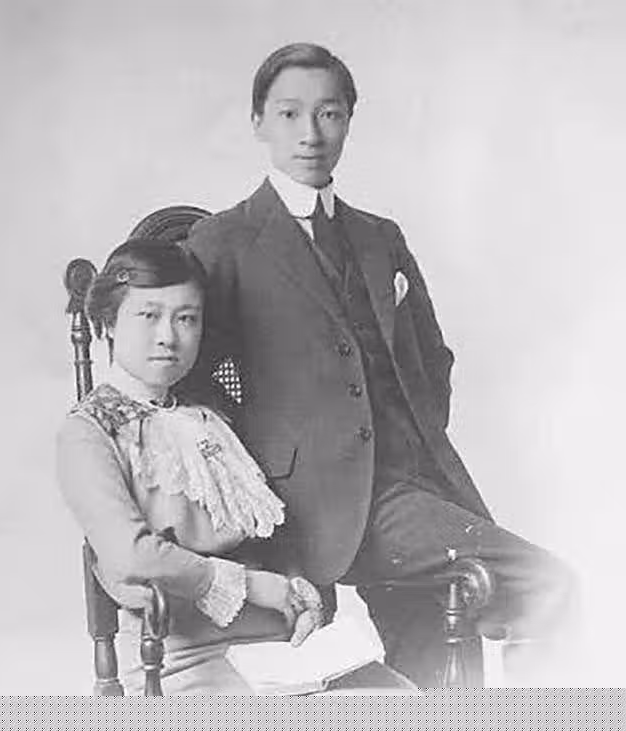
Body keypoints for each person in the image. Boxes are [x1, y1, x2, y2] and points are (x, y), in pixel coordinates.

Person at [184, 42, 577, 687]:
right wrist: (281, 467)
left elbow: (433, 356)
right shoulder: (222, 243)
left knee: (433, 655)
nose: (311, 134)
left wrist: (414, 437)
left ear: (348, 121)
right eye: (289, 114)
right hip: (319, 505)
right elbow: (200, 388)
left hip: (420, 482)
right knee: (553, 584)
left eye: (329, 114)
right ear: (258, 123)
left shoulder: (379, 236)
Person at [56, 237, 324, 694]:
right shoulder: (88, 432)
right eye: (148, 316)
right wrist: (256, 587)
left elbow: (273, 529)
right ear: (110, 324)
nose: (168, 336)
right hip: (178, 656)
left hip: (280, 647)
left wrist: (298, 588)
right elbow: (133, 554)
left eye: (187, 318)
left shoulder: (213, 417)